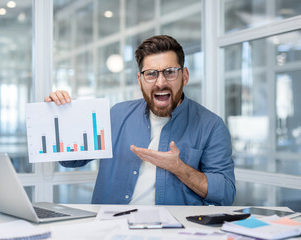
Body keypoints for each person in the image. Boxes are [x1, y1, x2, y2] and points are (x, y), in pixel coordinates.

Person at [45, 35, 235, 205]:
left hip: (174, 231)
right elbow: (72, 161)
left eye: (170, 72)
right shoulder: (116, 115)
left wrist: (179, 168)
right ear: (139, 80)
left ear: (184, 76)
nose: (160, 82)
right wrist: (61, 115)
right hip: (110, 227)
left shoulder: (211, 126)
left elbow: (225, 194)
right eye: (151, 74)